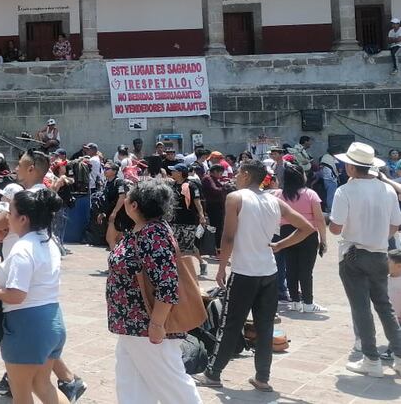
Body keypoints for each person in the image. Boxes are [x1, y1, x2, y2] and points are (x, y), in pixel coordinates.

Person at [194, 159, 316, 392]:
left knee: (231, 324)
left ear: (248, 175)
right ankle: (262, 377)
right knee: (265, 326)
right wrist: (280, 245)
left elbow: (228, 237)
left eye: (239, 172)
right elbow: (307, 228)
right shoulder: (274, 201)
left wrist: (221, 267)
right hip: (268, 272)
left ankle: (213, 373)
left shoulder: (236, 198)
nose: (236, 176)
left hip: (244, 272)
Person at [106, 180, 203, 403]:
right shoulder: (140, 231)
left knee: (175, 388)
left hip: (147, 326)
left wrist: (157, 325)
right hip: (131, 325)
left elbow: (168, 284)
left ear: (134, 205)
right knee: (132, 388)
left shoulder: (154, 234)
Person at [0, 189, 67, 404]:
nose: (7, 217)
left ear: (23, 219)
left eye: (10, 213)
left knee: (21, 393)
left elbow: (16, 295)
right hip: (52, 320)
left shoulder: (22, 249)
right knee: (43, 385)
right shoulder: (48, 241)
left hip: (26, 325)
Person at [328, 142, 401, 377]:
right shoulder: (387, 189)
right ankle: (399, 355)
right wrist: (377, 237)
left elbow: (336, 229)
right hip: (379, 253)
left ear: (350, 167)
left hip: (354, 253)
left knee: (361, 307)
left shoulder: (345, 191)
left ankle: (371, 358)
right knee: (384, 306)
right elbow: (395, 225)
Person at [276, 164, 328, 313]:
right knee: (306, 270)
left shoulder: (279, 195)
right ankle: (308, 303)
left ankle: (295, 302)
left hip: (286, 232)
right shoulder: (310, 194)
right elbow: (319, 219)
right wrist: (323, 239)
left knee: (290, 268)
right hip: (307, 232)